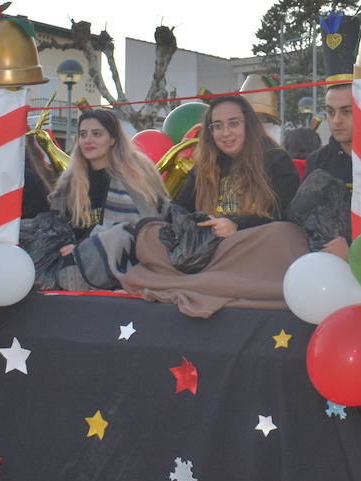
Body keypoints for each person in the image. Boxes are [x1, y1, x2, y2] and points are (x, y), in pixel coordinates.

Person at [120, 94, 307, 316]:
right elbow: (179, 209)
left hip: (249, 245)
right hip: (209, 250)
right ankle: (214, 283)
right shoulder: (204, 166)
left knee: (283, 233)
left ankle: (198, 283)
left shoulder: (276, 159)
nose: (226, 133)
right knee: (150, 232)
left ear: (249, 125)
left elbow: (279, 212)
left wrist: (236, 226)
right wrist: (194, 224)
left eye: (233, 124)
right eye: (217, 126)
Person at [24, 108, 168, 291]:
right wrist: (61, 244)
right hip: (71, 259)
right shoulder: (71, 180)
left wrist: (82, 248)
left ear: (113, 139)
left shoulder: (135, 176)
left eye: (97, 134)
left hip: (124, 262)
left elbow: (139, 230)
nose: (88, 140)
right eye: (83, 134)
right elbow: (56, 221)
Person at [292, 81, 354, 255]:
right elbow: (302, 218)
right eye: (330, 112)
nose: (337, 120)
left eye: (346, 111)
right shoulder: (317, 160)